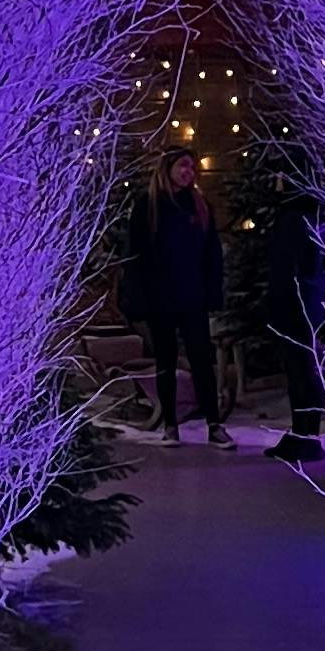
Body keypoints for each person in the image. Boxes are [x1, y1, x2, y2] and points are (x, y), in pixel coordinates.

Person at [132, 148, 230, 444]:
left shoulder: (199, 206)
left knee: (202, 360)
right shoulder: (147, 205)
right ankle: (170, 425)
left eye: (192, 166)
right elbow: (137, 255)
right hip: (160, 299)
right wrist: (139, 298)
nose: (188, 172)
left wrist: (212, 293)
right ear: (168, 169)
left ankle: (214, 424)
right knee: (166, 360)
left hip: (193, 297)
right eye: (182, 166)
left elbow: (212, 253)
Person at [260, 173, 325, 461]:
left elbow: (288, 268)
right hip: (305, 302)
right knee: (302, 368)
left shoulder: (294, 219)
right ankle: (304, 432)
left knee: (300, 369)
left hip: (294, 303)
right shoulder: (312, 217)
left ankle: (306, 435)